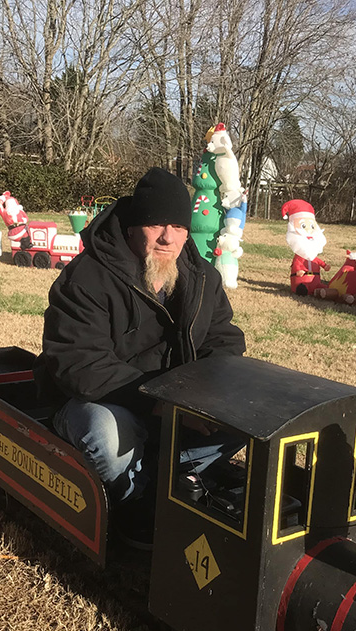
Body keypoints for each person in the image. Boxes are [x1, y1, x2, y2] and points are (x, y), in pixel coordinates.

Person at [33, 167, 246, 545]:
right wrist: (162, 404)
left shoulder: (202, 278)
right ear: (132, 228)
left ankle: (171, 476)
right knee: (108, 435)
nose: (168, 237)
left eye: (178, 227)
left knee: (246, 414)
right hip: (101, 400)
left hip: (175, 403)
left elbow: (223, 341)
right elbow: (79, 364)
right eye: (156, 224)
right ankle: (135, 502)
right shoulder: (87, 278)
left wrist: (205, 400)